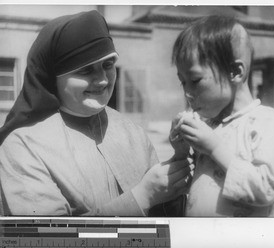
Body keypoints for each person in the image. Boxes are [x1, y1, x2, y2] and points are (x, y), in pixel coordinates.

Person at [0, 10, 193, 216]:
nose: (102, 80)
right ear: (52, 78)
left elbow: (166, 220)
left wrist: (179, 163)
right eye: (85, 70)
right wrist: (141, 198)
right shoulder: (23, 147)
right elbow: (47, 238)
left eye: (108, 65)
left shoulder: (132, 133)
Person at [169, 15, 274, 217]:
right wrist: (182, 152)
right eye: (183, 82)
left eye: (195, 80)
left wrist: (214, 147)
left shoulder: (267, 122)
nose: (187, 93)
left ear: (235, 72)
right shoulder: (210, 126)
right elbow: (198, 188)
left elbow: (267, 188)